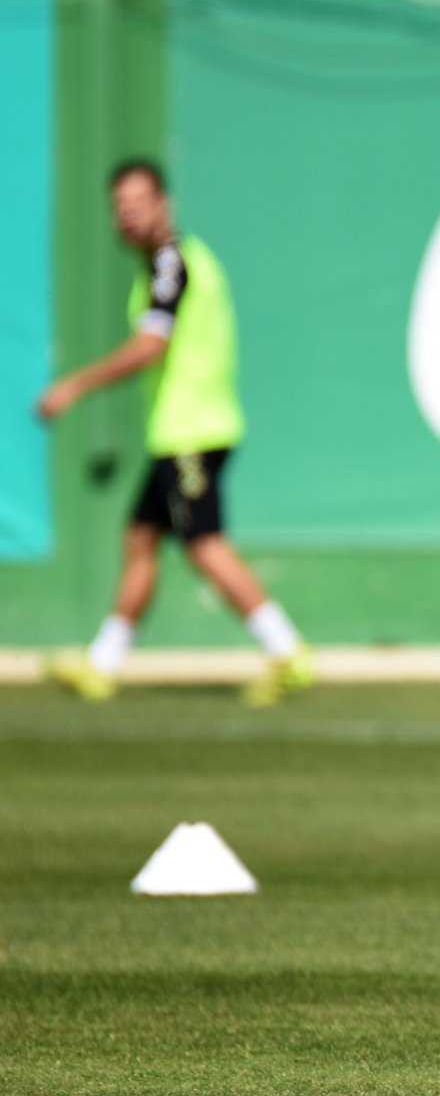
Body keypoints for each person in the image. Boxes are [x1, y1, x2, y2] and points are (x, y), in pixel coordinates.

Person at [38, 159, 313, 707]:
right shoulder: (166, 265)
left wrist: (76, 385)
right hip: (176, 433)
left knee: (204, 545)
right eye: (120, 208)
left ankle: (287, 651)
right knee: (140, 539)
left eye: (139, 205)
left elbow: (150, 347)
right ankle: (104, 664)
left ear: (165, 204)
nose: (129, 217)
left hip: (193, 431)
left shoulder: (172, 264)